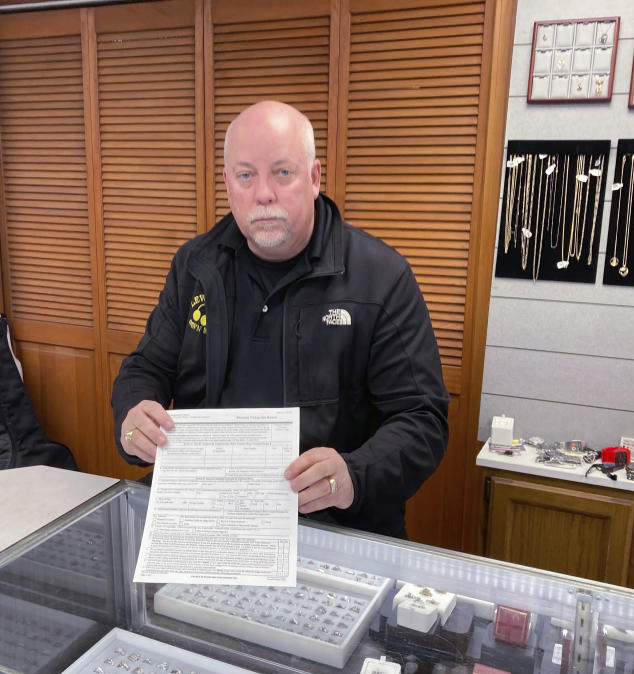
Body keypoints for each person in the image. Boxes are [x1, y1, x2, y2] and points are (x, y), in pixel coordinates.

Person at [112, 100, 449, 539]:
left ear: (314, 178)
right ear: (228, 182)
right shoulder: (195, 266)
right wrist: (134, 415)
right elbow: (145, 367)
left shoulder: (380, 278)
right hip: (207, 516)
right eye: (246, 175)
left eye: (282, 173)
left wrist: (354, 474)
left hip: (331, 528)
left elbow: (422, 419)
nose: (263, 193)